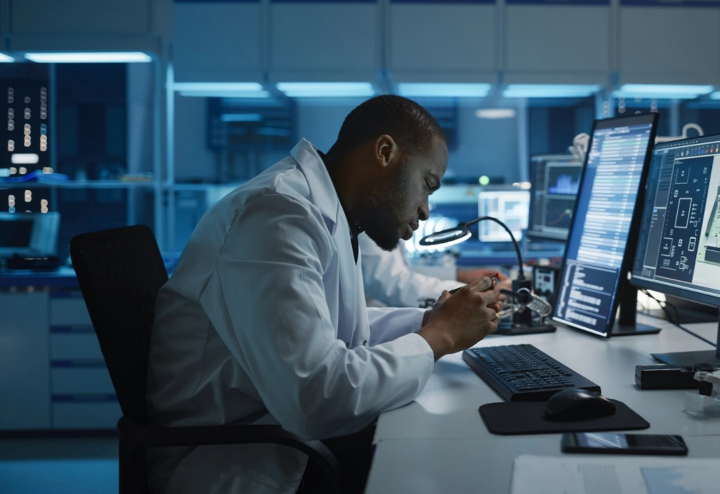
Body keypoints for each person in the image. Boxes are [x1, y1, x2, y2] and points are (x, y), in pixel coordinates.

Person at [146, 96, 503, 494]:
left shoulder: (327, 213)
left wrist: (430, 320)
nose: (425, 210)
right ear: (385, 152)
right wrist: (440, 337)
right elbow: (314, 398)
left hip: (275, 432)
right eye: (427, 184)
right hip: (238, 458)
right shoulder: (277, 214)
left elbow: (335, 332)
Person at [358, 234, 511, 308]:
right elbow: (394, 283)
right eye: (427, 185)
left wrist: (460, 275)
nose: (425, 211)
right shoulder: (370, 225)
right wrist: (477, 291)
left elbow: (404, 271)